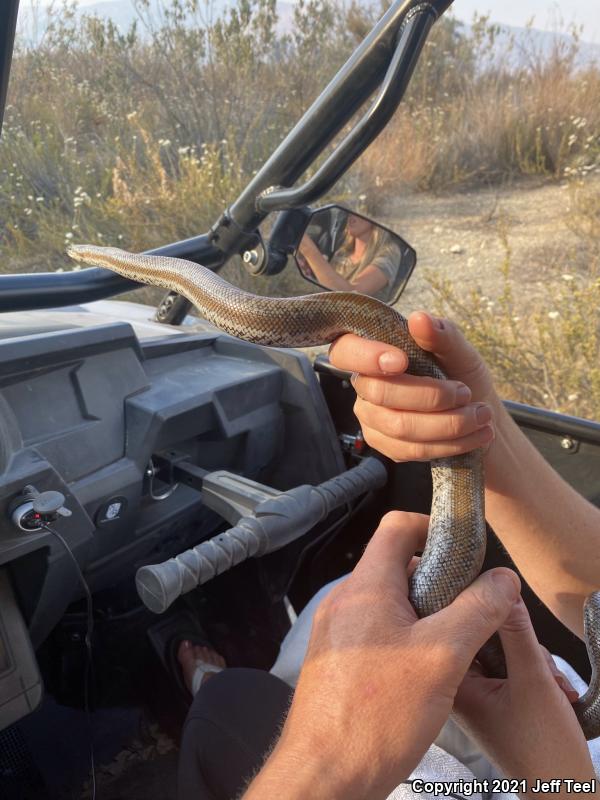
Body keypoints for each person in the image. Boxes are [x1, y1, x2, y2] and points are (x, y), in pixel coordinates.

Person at [176, 311, 600, 799]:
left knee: (228, 705)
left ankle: (209, 689)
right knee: (352, 603)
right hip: (555, 732)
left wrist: (327, 765)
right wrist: (477, 425)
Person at [298, 213, 403, 299]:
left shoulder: (389, 252)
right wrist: (313, 270)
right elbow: (330, 285)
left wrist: (308, 250)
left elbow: (351, 296)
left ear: (375, 219)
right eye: (349, 213)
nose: (351, 216)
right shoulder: (343, 252)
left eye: (359, 213)